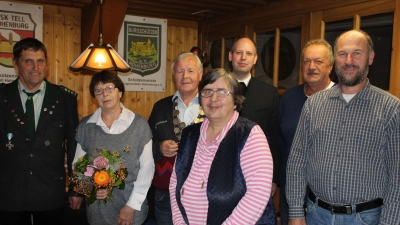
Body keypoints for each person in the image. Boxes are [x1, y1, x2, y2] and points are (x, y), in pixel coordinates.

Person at [286, 30, 400, 225]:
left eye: (357, 53)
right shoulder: (314, 105)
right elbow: (297, 162)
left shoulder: (391, 109)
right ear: (335, 59)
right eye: (342, 54)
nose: (349, 60)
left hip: (366, 219)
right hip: (315, 215)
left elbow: (397, 177)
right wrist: (296, 214)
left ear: (370, 57)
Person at [170, 68, 275, 224]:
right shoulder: (189, 134)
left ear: (235, 101)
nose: (213, 98)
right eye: (207, 92)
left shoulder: (250, 134)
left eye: (222, 92)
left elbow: (257, 195)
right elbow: (175, 183)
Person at [0, 38, 79, 225]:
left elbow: (75, 146)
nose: (36, 67)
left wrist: (76, 188)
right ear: (15, 64)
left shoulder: (64, 99)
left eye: (40, 61)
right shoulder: (2, 97)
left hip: (50, 191)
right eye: (28, 61)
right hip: (9, 192)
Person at [69, 70, 154, 225]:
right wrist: (91, 188)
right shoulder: (86, 126)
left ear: (120, 92)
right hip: (98, 210)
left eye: (109, 88)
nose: (104, 94)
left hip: (132, 208)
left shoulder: (139, 125)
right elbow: (77, 166)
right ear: (94, 97)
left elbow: (147, 168)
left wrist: (131, 206)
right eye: (98, 91)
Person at [277, 39, 335, 225]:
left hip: (325, 199)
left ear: (330, 67)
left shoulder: (341, 99)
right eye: (306, 61)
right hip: (291, 192)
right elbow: (279, 142)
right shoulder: (289, 97)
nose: (311, 67)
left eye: (318, 61)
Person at [148, 52, 204, 224]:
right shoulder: (160, 107)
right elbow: (145, 145)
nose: (185, 76)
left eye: (190, 71)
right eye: (180, 71)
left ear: (200, 75)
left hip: (202, 193)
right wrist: (159, 148)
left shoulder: (212, 105)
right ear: (174, 76)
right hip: (166, 195)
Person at [229, 37, 279, 222]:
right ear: (230, 55)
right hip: (221, 173)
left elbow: (274, 138)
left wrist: (274, 179)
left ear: (255, 58)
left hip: (257, 176)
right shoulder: (216, 88)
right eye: (238, 52)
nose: (243, 57)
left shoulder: (269, 93)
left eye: (248, 53)